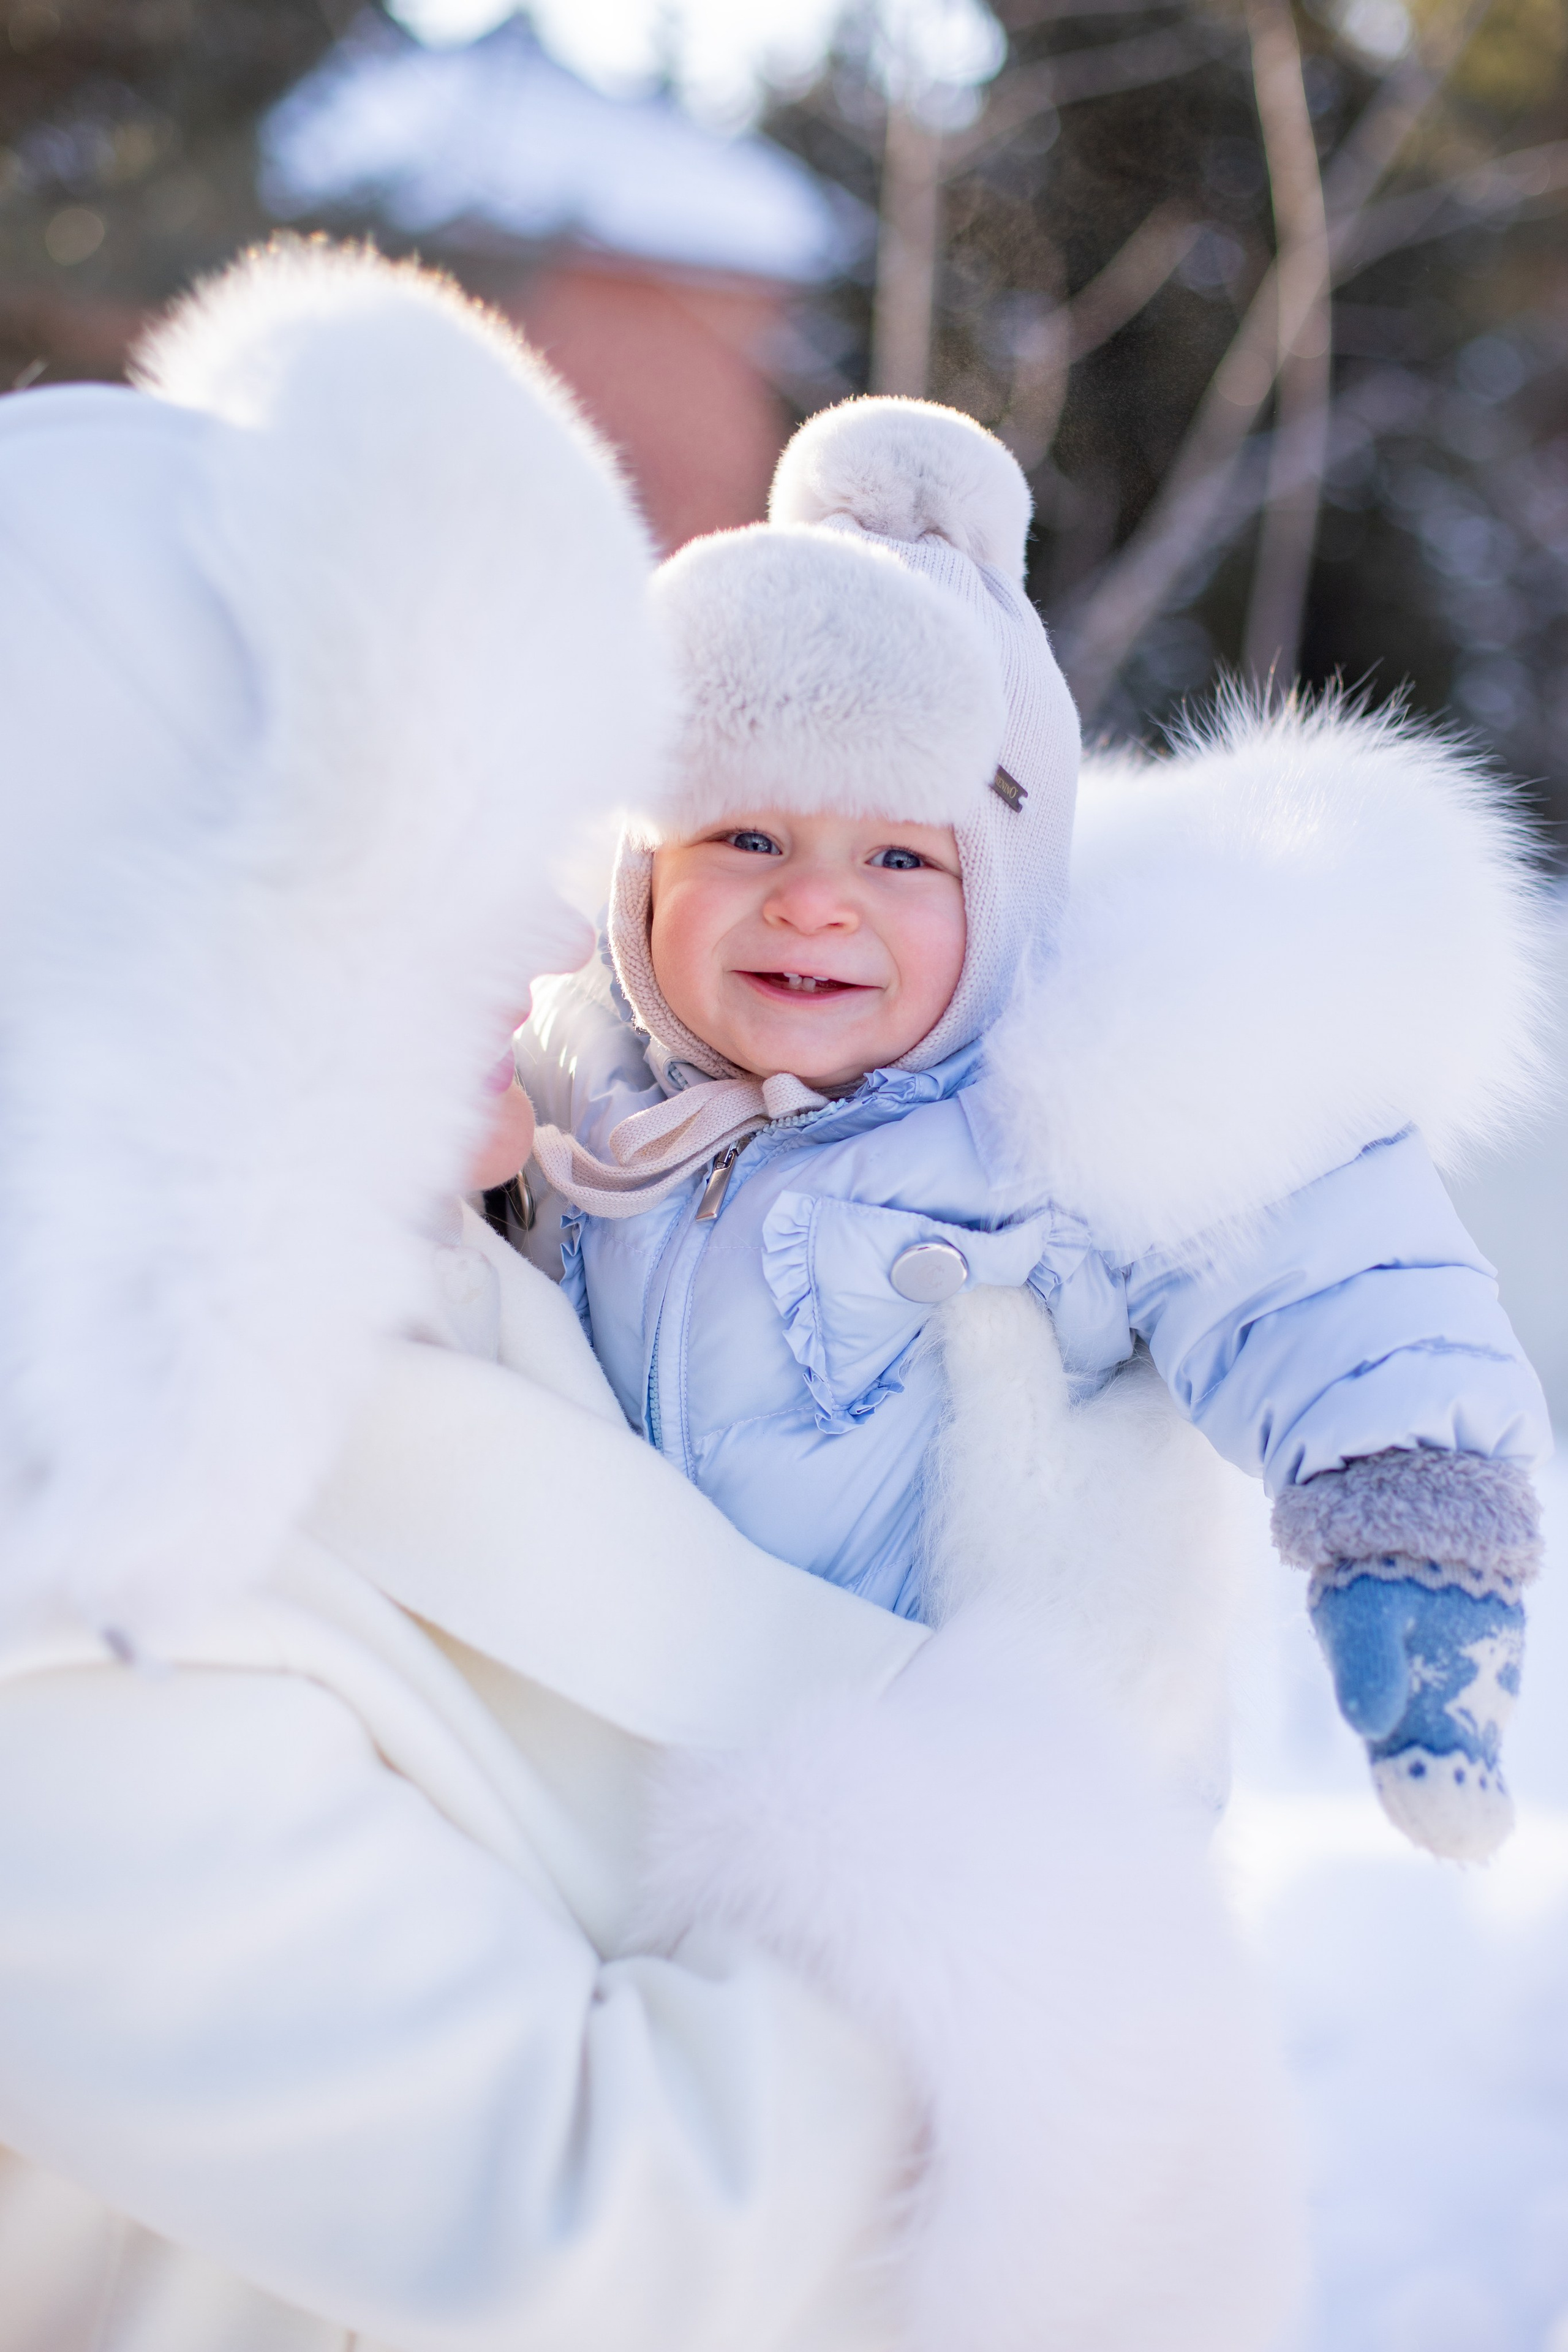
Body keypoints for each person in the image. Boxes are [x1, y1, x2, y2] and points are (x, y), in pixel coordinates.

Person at [0, 243, 1302, 2351]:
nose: (541, 921)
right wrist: (1058, 1745)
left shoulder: (439, 1250)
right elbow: (625, 2216)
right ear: (155, 962)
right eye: (409, 852)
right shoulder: (52, 1666)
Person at [516, 396, 1551, 1864]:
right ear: (637, 869)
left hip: (982, 1826)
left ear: (1001, 892)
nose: (816, 902)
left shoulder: (1066, 1117)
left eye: (897, 855)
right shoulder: (570, 1069)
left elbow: (1332, 1281)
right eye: (747, 836)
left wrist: (1412, 1546)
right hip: (615, 1789)